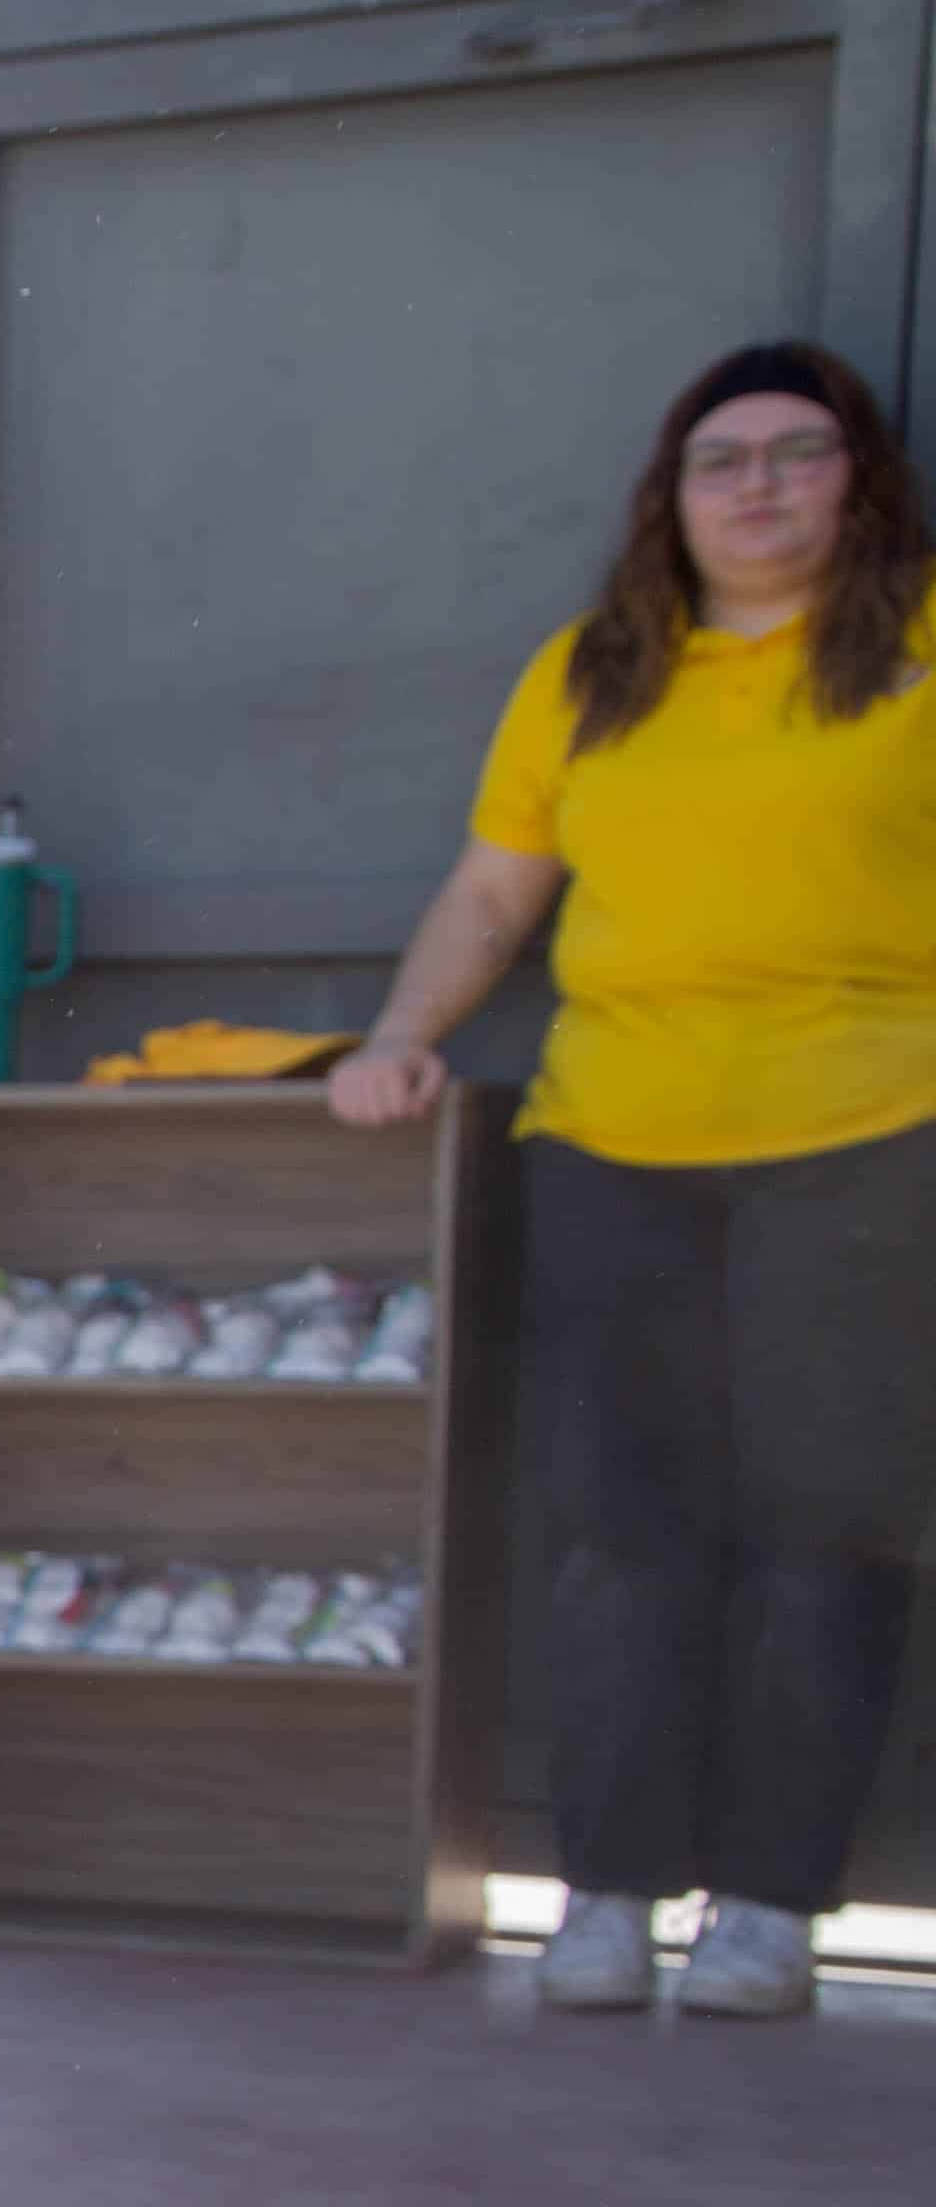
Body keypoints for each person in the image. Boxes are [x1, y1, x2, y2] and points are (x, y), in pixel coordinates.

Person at [327, 338, 936, 2021]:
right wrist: (396, 1030)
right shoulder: (591, 671)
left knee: (825, 1538)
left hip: (872, 1142)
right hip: (615, 1148)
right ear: (668, 498)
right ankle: (600, 1893)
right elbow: (492, 888)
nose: (756, 484)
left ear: (855, 478)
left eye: (795, 453)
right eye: (716, 459)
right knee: (622, 1533)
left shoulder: (917, 643)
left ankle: (765, 1909)